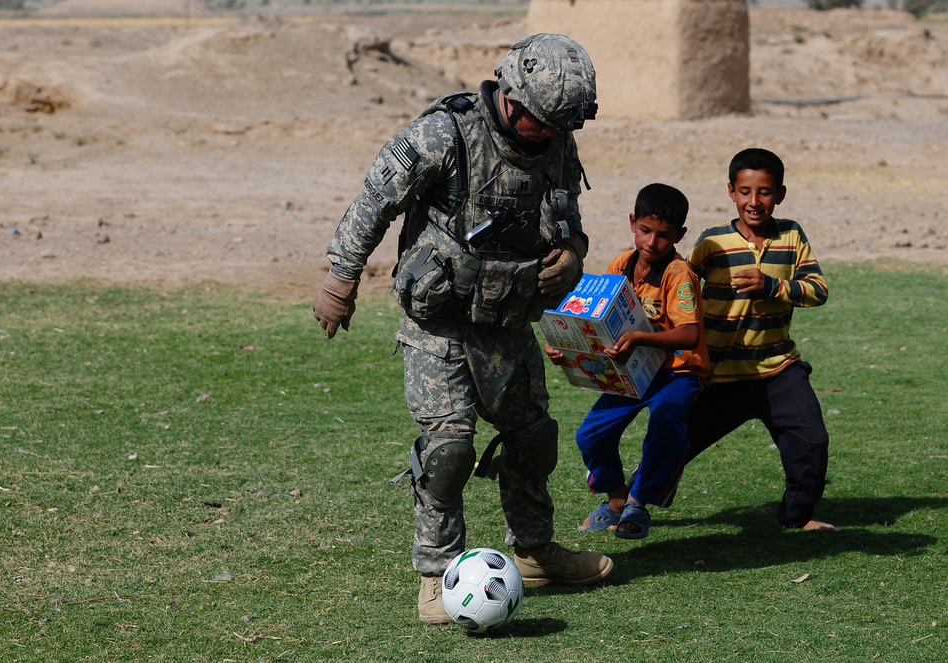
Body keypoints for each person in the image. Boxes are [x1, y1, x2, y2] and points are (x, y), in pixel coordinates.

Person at [311, 34, 613, 625]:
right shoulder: (443, 135)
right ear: (511, 98)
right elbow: (375, 201)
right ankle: (437, 572)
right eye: (543, 123)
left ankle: (534, 550)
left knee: (533, 437)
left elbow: (568, 216)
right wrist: (340, 279)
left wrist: (573, 254)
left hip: (509, 318)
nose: (551, 135)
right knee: (448, 446)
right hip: (439, 321)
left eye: (560, 126)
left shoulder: (556, 139)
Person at [630, 147, 834, 531]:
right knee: (675, 439)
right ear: (731, 192)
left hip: (778, 370)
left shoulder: (792, 236)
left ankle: (797, 518)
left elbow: (818, 289)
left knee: (811, 440)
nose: (754, 202)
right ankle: (630, 504)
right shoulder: (712, 243)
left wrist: (772, 285)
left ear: (781, 194)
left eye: (765, 192)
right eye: (745, 192)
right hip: (717, 373)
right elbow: (679, 285)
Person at [544, 183, 709, 540]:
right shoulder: (620, 264)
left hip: (677, 371)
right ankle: (616, 499)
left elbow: (689, 335)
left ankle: (639, 503)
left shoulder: (679, 274)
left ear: (679, 235)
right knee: (590, 435)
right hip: (632, 373)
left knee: (666, 422)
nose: (652, 243)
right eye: (646, 231)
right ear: (633, 223)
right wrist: (566, 351)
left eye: (664, 236)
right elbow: (598, 320)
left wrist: (639, 338)